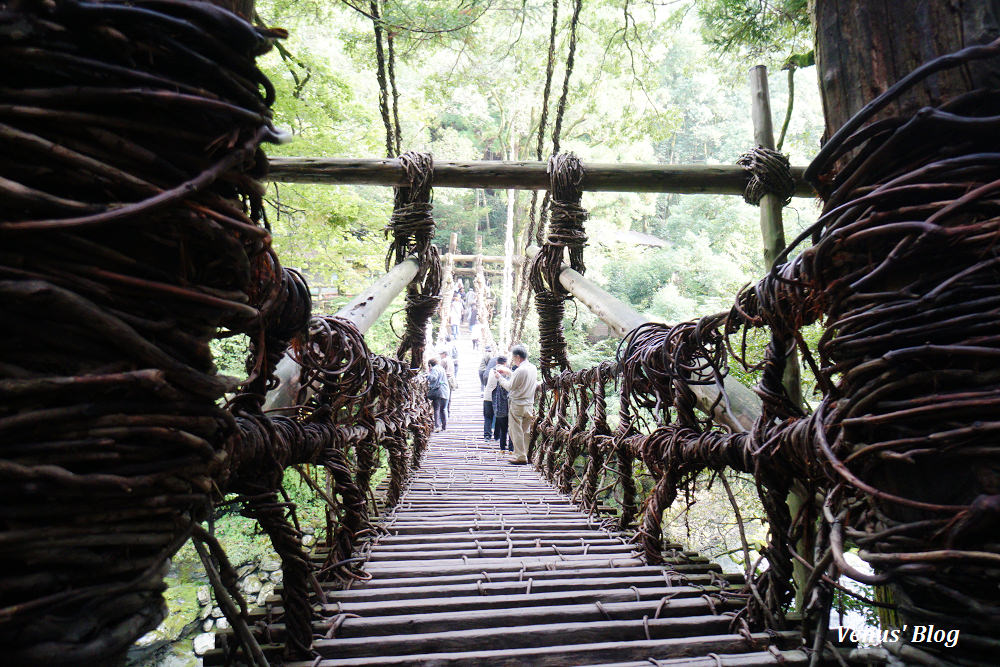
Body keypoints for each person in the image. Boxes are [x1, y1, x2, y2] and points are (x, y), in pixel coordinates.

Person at [495, 344, 537, 464]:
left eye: (513, 358)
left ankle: (520, 456)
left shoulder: (520, 370)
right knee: (525, 431)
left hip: (518, 404)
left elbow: (510, 386)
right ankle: (525, 454)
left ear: (518, 357)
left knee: (515, 430)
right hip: (529, 404)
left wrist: (499, 377)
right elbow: (521, 380)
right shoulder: (533, 368)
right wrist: (509, 372)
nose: (513, 361)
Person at [484, 355, 511, 451]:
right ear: (505, 363)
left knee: (488, 417)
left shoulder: (491, 370)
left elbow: (485, 378)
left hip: (487, 396)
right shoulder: (505, 371)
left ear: (496, 362)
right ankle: (497, 437)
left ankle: (487, 436)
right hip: (498, 399)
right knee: (499, 417)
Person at [426, 358, 449, 431]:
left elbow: (433, 378)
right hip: (445, 390)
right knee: (443, 409)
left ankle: (437, 426)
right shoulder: (441, 368)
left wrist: (427, 376)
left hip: (438, 391)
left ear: (430, 364)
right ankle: (444, 426)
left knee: (436, 409)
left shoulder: (434, 369)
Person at [439, 349, 456, 415]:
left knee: (444, 396)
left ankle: (444, 412)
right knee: (449, 396)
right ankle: (448, 411)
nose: (440, 355)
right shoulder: (450, 360)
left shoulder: (444, 360)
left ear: (444, 354)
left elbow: (440, 371)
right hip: (451, 379)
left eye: (441, 354)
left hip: (445, 380)